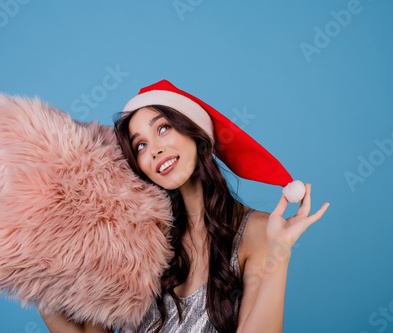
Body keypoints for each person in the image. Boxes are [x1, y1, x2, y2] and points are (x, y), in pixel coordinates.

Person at [37, 80, 330, 333]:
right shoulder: (137, 237)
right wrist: (34, 268)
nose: (154, 150)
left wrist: (279, 252)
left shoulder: (255, 232)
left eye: (163, 129)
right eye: (140, 146)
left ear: (195, 131)